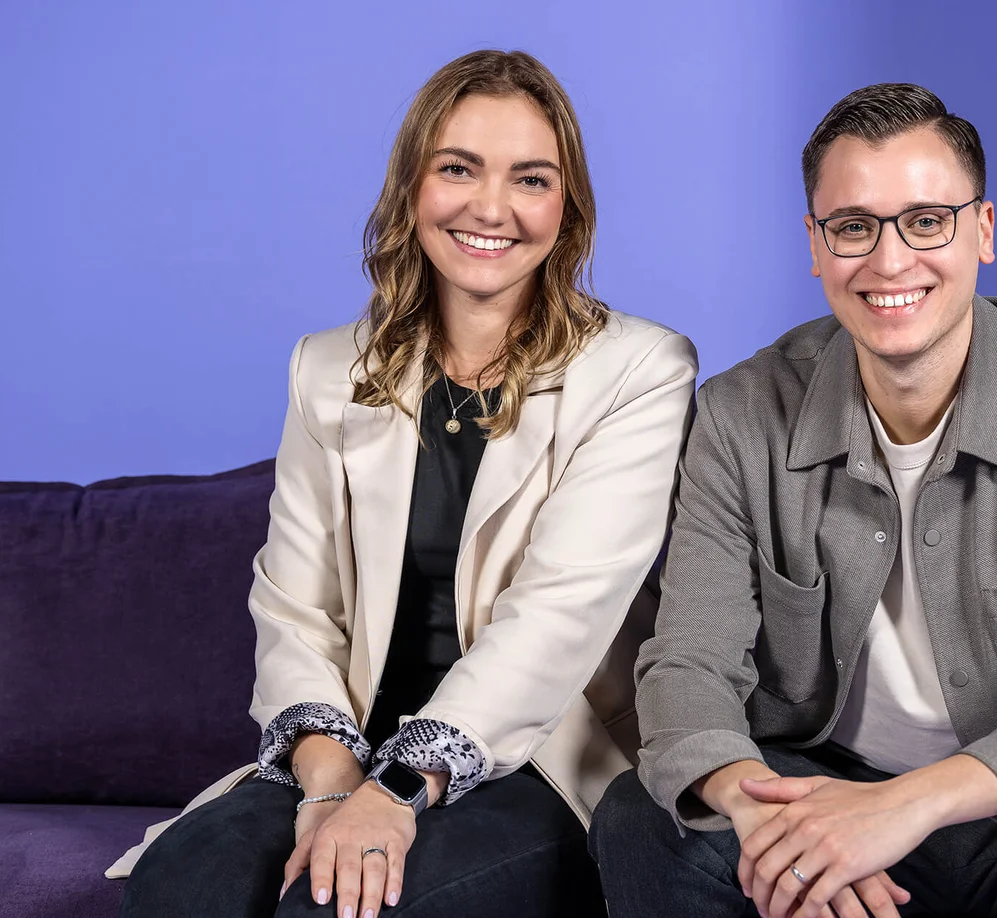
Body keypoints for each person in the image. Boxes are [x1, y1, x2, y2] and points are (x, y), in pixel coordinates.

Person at [591, 82, 997, 918]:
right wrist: (774, 824)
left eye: (927, 220)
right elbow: (689, 665)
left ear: (982, 231)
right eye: (853, 227)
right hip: (822, 786)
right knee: (646, 818)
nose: (890, 261)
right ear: (815, 246)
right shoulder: (740, 414)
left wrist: (906, 807)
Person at [116, 49, 697, 918]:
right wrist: (325, 783)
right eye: (458, 168)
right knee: (184, 887)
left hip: (537, 754)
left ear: (566, 206)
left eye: (529, 178)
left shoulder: (640, 369)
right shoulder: (325, 370)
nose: (490, 207)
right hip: (350, 743)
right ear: (411, 187)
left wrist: (394, 794)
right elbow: (293, 606)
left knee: (340, 908)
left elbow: (559, 616)